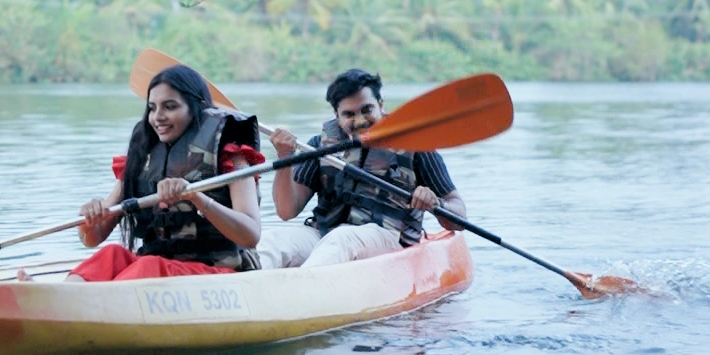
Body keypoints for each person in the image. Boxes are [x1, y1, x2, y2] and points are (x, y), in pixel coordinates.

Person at [258, 67, 467, 270]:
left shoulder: (416, 146)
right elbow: (286, 211)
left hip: (387, 238)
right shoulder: (319, 146)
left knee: (342, 239)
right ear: (336, 115)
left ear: (381, 105)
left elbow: (459, 215)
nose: (360, 121)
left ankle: (300, 287)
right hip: (324, 233)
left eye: (367, 110)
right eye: (349, 114)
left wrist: (436, 203)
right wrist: (285, 156)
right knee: (272, 241)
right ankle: (251, 284)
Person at [69, 63, 263, 281]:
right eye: (152, 108)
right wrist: (89, 220)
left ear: (196, 108)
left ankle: (98, 296)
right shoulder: (142, 156)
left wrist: (196, 197)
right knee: (110, 255)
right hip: (158, 270)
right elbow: (93, 239)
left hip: (220, 271)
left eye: (169, 107)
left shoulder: (233, 156)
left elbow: (251, 235)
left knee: (149, 265)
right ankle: (68, 292)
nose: (157, 117)